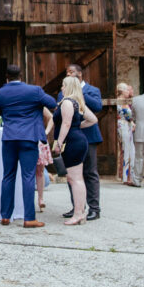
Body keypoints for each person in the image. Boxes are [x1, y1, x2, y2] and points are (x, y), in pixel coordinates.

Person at [0, 64, 57, 227]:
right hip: (29, 136)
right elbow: (52, 103)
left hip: (10, 137)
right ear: (21, 76)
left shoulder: (0, 92)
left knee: (8, 176)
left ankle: (5, 216)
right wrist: (36, 104)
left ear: (7, 77)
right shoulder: (35, 91)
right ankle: (29, 218)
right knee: (28, 176)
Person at [58, 64, 103, 221]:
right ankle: (77, 207)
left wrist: (79, 91)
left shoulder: (92, 90)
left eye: (72, 73)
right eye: (67, 73)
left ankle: (94, 208)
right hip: (70, 140)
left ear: (79, 75)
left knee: (90, 173)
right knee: (72, 175)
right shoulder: (63, 93)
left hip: (88, 137)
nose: (68, 75)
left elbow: (98, 107)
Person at [52, 76, 97, 225]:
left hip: (71, 142)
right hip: (78, 139)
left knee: (75, 178)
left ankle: (78, 213)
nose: (61, 88)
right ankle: (80, 212)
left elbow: (65, 123)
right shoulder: (78, 102)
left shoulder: (66, 102)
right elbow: (92, 119)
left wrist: (58, 142)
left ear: (69, 87)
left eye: (63, 85)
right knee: (75, 178)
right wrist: (77, 127)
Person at [115, 83, 135, 184]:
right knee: (127, 150)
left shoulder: (124, 101)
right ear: (122, 91)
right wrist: (132, 121)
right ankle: (126, 177)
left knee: (130, 150)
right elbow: (127, 116)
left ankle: (129, 175)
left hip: (126, 126)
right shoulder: (120, 101)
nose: (129, 92)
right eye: (127, 90)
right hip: (123, 126)